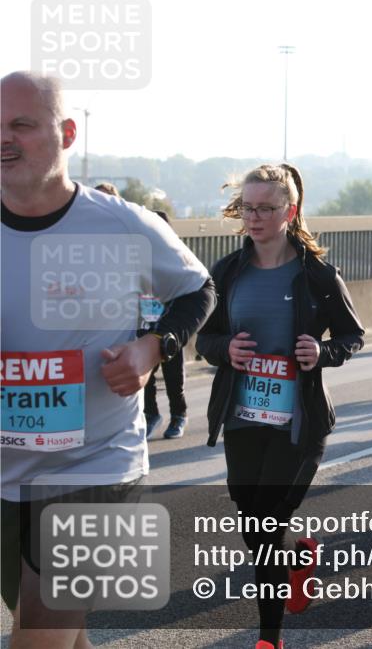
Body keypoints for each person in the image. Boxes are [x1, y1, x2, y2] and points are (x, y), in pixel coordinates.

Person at [1, 71, 215, 647]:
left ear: (67, 133)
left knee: (40, 630)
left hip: (96, 465)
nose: (5, 139)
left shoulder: (121, 224)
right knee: (56, 631)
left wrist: (154, 346)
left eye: (22, 124)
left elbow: (198, 289)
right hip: (7, 475)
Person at [196, 163, 365, 649]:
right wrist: (224, 348)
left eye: (266, 208)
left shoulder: (317, 274)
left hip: (299, 422)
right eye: (248, 208)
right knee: (255, 523)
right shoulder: (228, 271)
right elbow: (203, 338)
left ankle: (270, 639)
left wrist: (323, 352)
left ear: (289, 211)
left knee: (268, 521)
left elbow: (353, 335)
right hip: (243, 417)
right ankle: (297, 559)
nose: (255, 217)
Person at [140, 209, 191, 439]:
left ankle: (179, 416)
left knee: (173, 379)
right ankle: (151, 415)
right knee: (146, 380)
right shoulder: (136, 256)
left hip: (169, 328)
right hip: (143, 325)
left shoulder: (177, 259)